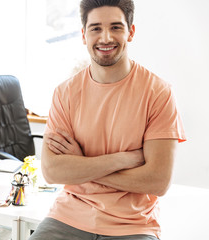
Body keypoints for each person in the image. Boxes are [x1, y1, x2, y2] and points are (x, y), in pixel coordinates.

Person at [29, 0, 186, 239]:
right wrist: (122, 160)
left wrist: (81, 164)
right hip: (68, 216)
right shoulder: (65, 93)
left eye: (115, 27)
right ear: (83, 35)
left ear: (130, 32)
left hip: (133, 225)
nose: (105, 38)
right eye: (95, 28)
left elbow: (157, 181)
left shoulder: (158, 92)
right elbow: (52, 171)